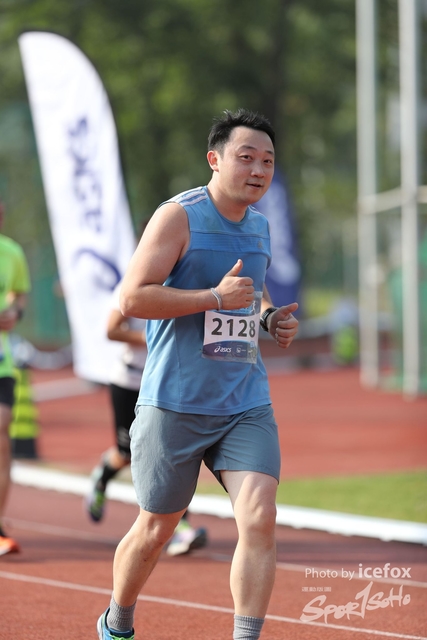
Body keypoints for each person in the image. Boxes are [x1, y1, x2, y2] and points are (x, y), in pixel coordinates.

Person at [96, 108, 299, 640]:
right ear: (214, 159)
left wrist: (269, 319)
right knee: (157, 528)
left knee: (259, 517)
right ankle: (117, 621)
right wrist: (211, 297)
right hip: (175, 401)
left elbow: (251, 294)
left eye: (268, 161)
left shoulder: (259, 225)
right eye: (246, 157)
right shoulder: (178, 217)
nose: (258, 170)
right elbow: (132, 298)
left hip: (244, 401)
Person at [85, 279, 207, 556]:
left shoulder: (185, 283)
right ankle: (103, 476)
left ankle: (180, 527)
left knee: (170, 452)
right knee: (127, 453)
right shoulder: (132, 283)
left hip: (165, 382)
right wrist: (150, 337)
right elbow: (111, 329)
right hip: (130, 381)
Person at [0, 200, 31, 556]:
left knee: (1, 434)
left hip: (2, 363)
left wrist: (15, 312)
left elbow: (19, 294)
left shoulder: (11, 252)